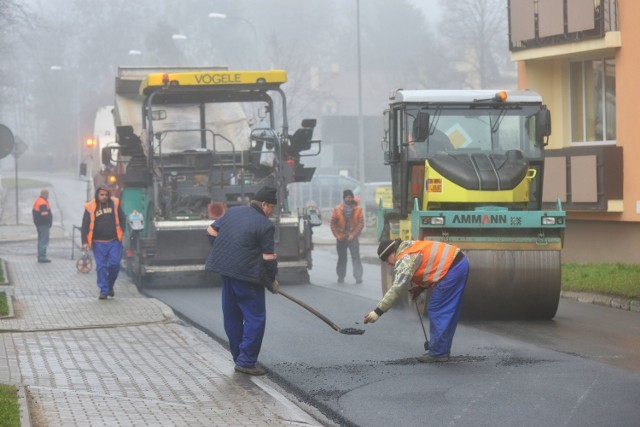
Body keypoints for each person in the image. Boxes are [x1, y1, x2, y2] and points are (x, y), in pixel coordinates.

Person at [205, 186, 280, 376]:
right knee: (255, 317)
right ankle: (246, 362)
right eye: (271, 207)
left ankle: (238, 356)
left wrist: (228, 252)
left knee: (232, 315)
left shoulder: (233, 212)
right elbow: (268, 258)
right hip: (248, 278)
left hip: (226, 272)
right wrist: (272, 280)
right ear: (263, 205)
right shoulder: (265, 225)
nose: (271, 212)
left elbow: (211, 231)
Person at [364, 238, 469, 363]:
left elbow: (396, 288)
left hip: (452, 269)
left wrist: (377, 312)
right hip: (458, 263)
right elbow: (430, 266)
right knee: (447, 310)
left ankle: (438, 353)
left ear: (392, 253)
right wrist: (421, 287)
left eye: (386, 260)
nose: (388, 264)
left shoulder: (405, 258)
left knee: (437, 309)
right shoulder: (409, 247)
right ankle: (440, 350)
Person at [81, 184, 126, 300]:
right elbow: (85, 225)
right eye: (102, 195)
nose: (104, 197)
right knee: (101, 267)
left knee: (115, 264)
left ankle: (110, 286)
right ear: (97, 195)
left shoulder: (115, 203)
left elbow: (122, 218)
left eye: (106, 195)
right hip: (98, 242)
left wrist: (122, 231)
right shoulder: (90, 206)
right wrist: (84, 241)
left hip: (114, 241)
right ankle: (104, 291)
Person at [330, 189, 364, 284]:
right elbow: (333, 224)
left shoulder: (358, 209)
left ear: (352, 198)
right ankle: (341, 277)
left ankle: (358, 277)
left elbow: (360, 224)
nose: (349, 199)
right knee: (342, 257)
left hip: (353, 238)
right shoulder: (337, 209)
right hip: (341, 238)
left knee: (356, 257)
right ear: (344, 198)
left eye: (350, 197)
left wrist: (353, 235)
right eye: (347, 197)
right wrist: (337, 235)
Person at [32, 189, 52, 263]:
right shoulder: (42, 203)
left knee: (41, 240)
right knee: (43, 240)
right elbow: (44, 215)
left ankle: (40, 255)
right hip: (43, 224)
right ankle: (42, 256)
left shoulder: (38, 201)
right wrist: (49, 222)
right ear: (44, 194)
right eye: (47, 194)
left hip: (39, 224)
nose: (48, 196)